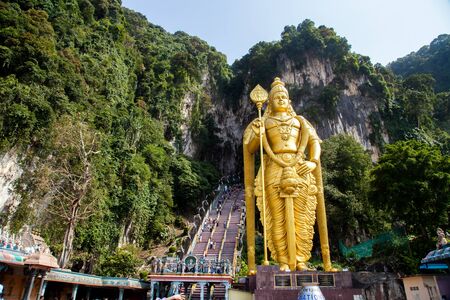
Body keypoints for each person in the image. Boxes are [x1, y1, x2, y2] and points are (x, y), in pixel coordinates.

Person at [243, 77, 333, 273]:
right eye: (277, 97)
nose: (281, 99)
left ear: (289, 101)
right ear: (270, 102)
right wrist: (258, 135)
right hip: (274, 169)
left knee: (301, 216)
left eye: (284, 96)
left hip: (299, 166)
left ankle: (300, 260)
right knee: (277, 217)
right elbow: (250, 148)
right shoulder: (264, 122)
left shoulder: (300, 121)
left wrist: (313, 161)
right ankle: (283, 260)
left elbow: (315, 142)